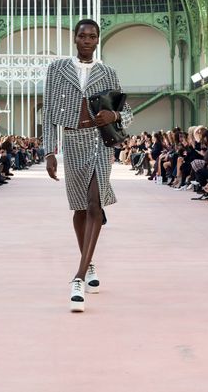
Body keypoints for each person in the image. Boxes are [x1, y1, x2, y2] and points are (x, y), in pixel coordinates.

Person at [43, 19, 133, 312]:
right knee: (80, 207)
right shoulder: (57, 70)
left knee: (95, 204)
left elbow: (126, 111)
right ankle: (89, 261)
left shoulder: (108, 73)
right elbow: (48, 112)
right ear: (75, 38)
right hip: (72, 140)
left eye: (92, 36)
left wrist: (114, 117)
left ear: (98, 40)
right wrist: (49, 151)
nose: (86, 40)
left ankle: (78, 277)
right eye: (82, 35)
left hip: (98, 141)